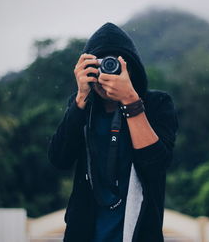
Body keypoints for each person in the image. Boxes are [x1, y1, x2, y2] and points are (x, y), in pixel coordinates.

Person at [47, 22, 178, 242]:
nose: (107, 72)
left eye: (114, 65)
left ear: (131, 68)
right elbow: (59, 159)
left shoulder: (156, 104)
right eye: (100, 65)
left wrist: (130, 101)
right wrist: (80, 98)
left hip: (139, 234)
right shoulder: (82, 106)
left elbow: (156, 166)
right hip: (84, 233)